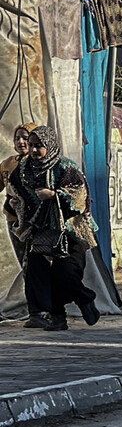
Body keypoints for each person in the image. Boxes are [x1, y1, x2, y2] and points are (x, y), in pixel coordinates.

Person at [7, 126, 100, 331]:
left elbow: (80, 196)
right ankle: (58, 318)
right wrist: (14, 204)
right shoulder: (23, 170)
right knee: (38, 274)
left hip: (70, 231)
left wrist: (54, 195)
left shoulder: (65, 167)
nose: (33, 150)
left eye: (39, 146)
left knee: (66, 273)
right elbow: (15, 194)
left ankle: (85, 300)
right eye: (31, 146)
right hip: (40, 233)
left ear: (50, 145)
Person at [1, 123, 39, 322]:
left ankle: (43, 307)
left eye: (26, 138)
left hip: (37, 221)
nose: (21, 142)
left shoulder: (39, 163)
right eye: (18, 138)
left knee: (36, 263)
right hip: (14, 220)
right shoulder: (8, 164)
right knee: (25, 264)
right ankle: (34, 309)